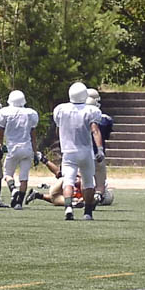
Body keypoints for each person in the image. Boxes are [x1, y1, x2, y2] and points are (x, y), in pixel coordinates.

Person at [52, 82, 105, 221]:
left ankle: (68, 207)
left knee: (68, 180)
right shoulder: (90, 110)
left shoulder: (61, 109)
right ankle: (88, 212)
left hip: (69, 151)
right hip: (86, 151)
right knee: (88, 182)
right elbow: (95, 130)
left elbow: (58, 129)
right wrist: (100, 149)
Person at [0, 90, 39, 210]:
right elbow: (33, 136)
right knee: (24, 177)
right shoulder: (30, 113)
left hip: (12, 148)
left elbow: (0, 132)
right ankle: (19, 203)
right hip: (27, 148)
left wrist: (0, 145)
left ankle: (13, 189)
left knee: (7, 174)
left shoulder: (5, 113)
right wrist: (35, 152)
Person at [86, 88, 114, 205]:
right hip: (97, 154)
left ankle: (77, 199)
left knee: (82, 180)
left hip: (81, 153)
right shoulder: (105, 119)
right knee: (100, 181)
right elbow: (106, 135)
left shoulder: (76, 115)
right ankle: (98, 196)